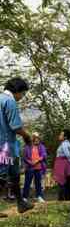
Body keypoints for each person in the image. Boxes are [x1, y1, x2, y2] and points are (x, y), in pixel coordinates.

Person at [0, 77, 34, 213]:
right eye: (23, 93)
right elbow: (16, 127)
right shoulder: (10, 101)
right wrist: (27, 136)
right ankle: (20, 203)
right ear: (17, 90)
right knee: (2, 177)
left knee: (14, 174)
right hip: (5, 146)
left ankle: (21, 203)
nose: (22, 97)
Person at [22, 132, 47, 203]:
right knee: (27, 183)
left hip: (39, 167)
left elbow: (44, 155)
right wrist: (30, 162)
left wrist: (38, 160)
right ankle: (24, 197)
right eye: (35, 138)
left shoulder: (41, 146)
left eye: (38, 138)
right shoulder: (27, 146)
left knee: (38, 183)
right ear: (32, 139)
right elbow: (24, 157)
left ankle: (39, 196)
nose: (37, 140)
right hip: (30, 167)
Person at [53, 129, 70, 201]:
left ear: (65, 137)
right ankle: (68, 198)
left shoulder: (64, 144)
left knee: (62, 181)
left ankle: (61, 198)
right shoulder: (66, 143)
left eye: (61, 135)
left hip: (63, 164)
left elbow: (67, 153)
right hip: (65, 163)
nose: (59, 136)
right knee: (67, 182)